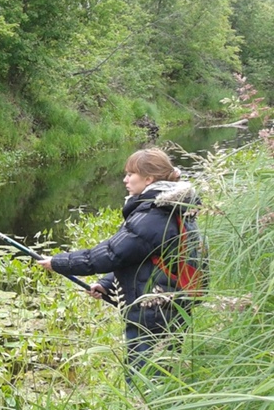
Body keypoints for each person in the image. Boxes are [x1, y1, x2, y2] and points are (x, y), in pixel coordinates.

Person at [37, 148, 201, 379]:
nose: (125, 179)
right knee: (164, 368)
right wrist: (107, 284)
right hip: (169, 308)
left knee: (144, 376)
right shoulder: (172, 207)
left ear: (149, 179)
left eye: (130, 174)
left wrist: (58, 262)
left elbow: (109, 255)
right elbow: (141, 258)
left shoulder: (153, 216)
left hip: (152, 313)